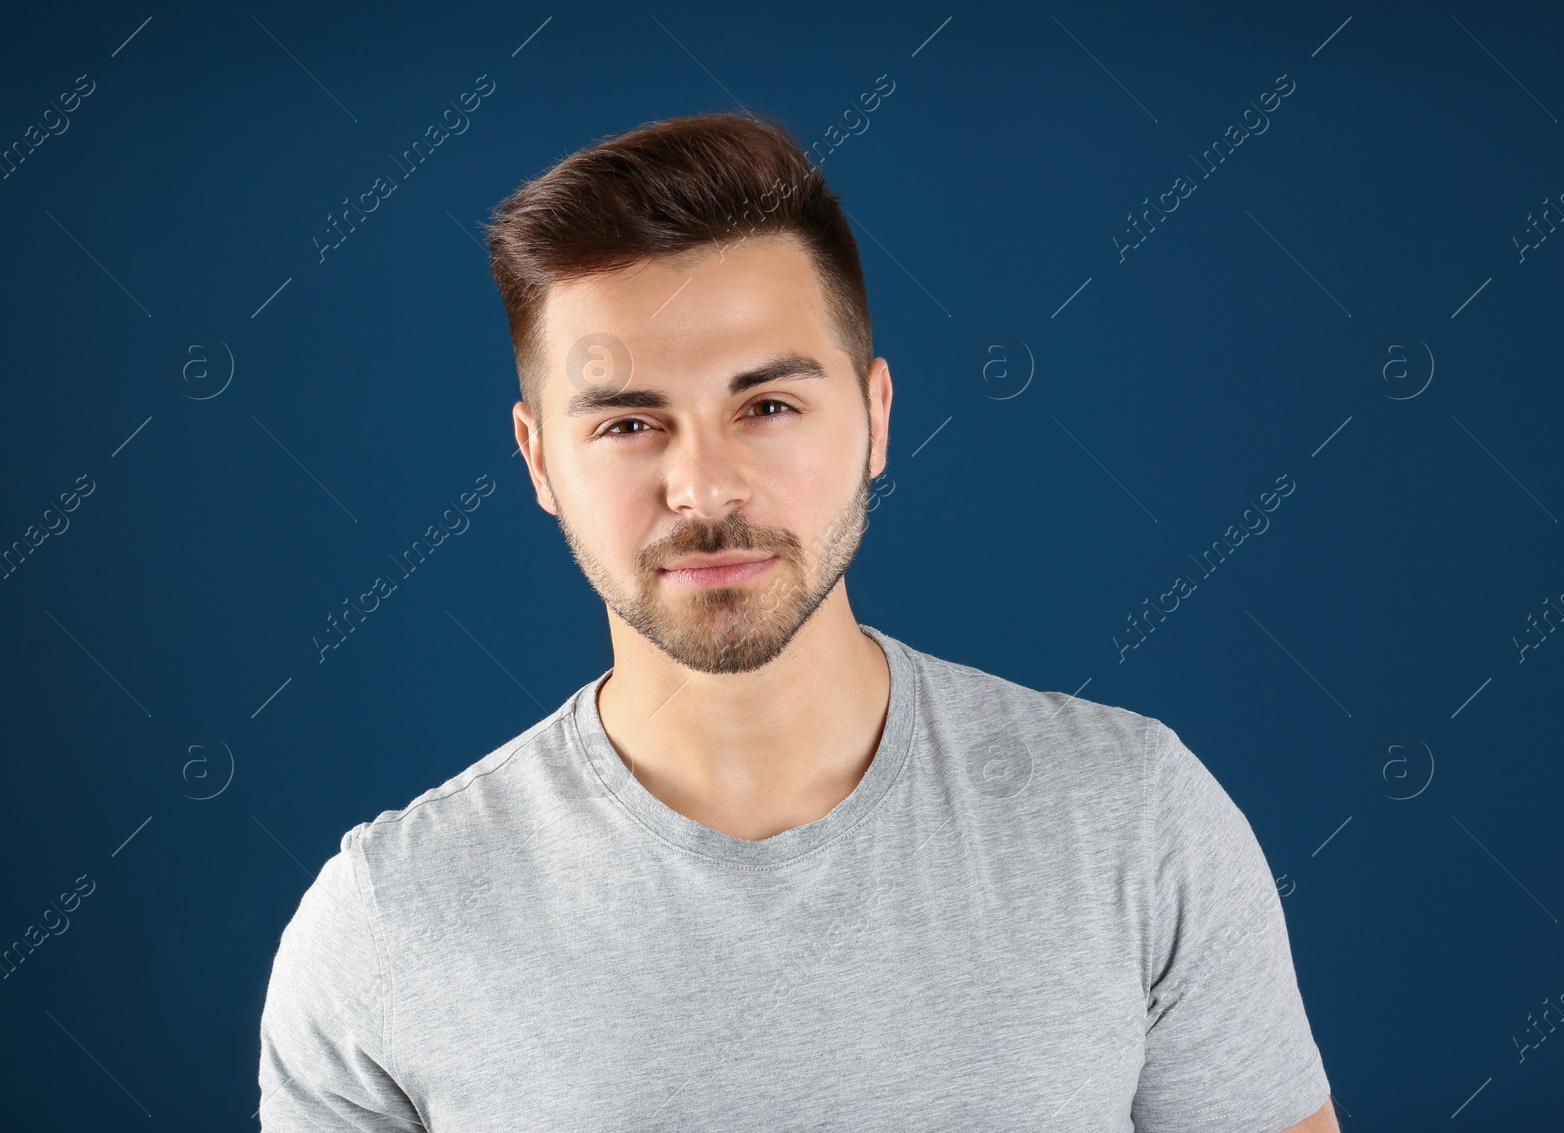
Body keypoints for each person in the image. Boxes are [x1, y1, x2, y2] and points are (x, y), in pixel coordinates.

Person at [258, 112, 1338, 1131]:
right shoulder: (389, 922)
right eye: (630, 422)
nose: (705, 486)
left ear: (873, 417)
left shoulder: (1135, 822)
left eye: (766, 406)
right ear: (540, 460)